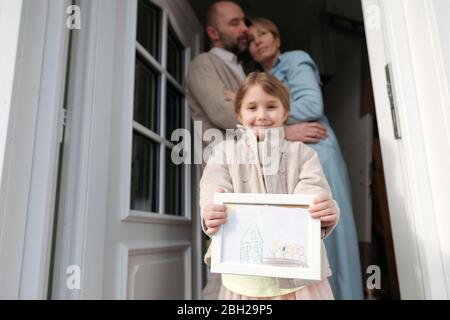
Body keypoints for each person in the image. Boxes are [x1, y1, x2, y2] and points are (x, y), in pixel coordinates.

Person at [247, 17, 363, 299]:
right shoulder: (257, 79)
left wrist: (274, 128)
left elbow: (312, 104)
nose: (257, 41)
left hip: (316, 149)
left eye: (263, 33)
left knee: (328, 227)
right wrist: (283, 132)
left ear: (277, 39)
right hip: (287, 157)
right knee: (302, 237)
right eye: (250, 39)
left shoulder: (295, 60)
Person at [200, 72, 339, 300]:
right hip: (244, 282)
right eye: (252, 108)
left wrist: (322, 211)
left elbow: (313, 192)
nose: (262, 115)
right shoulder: (224, 153)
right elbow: (213, 186)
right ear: (239, 113)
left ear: (285, 112)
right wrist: (210, 209)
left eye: (271, 106)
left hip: (299, 280)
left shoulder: (304, 154)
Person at [185, 1, 328, 149]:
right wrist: (282, 132)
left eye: (244, 22)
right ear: (213, 33)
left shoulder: (244, 70)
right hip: (227, 168)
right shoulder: (203, 63)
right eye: (235, 23)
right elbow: (223, 113)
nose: (245, 29)